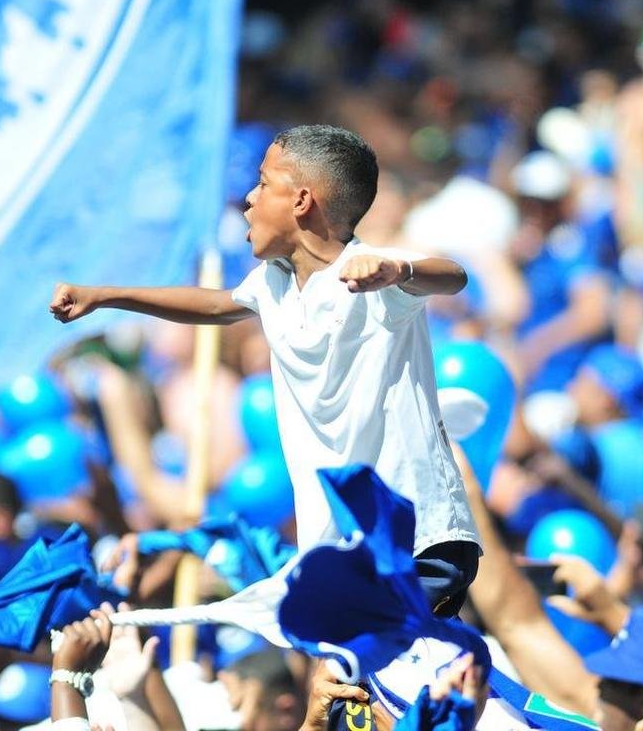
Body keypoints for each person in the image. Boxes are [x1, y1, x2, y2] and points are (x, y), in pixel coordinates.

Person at [50, 124, 480, 615]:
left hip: (416, 536)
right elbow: (214, 305)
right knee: (348, 684)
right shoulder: (272, 285)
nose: (248, 199)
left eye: (262, 182)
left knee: (381, 679)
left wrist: (398, 271)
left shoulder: (373, 269)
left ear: (301, 201)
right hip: (341, 546)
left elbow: (453, 275)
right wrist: (104, 297)